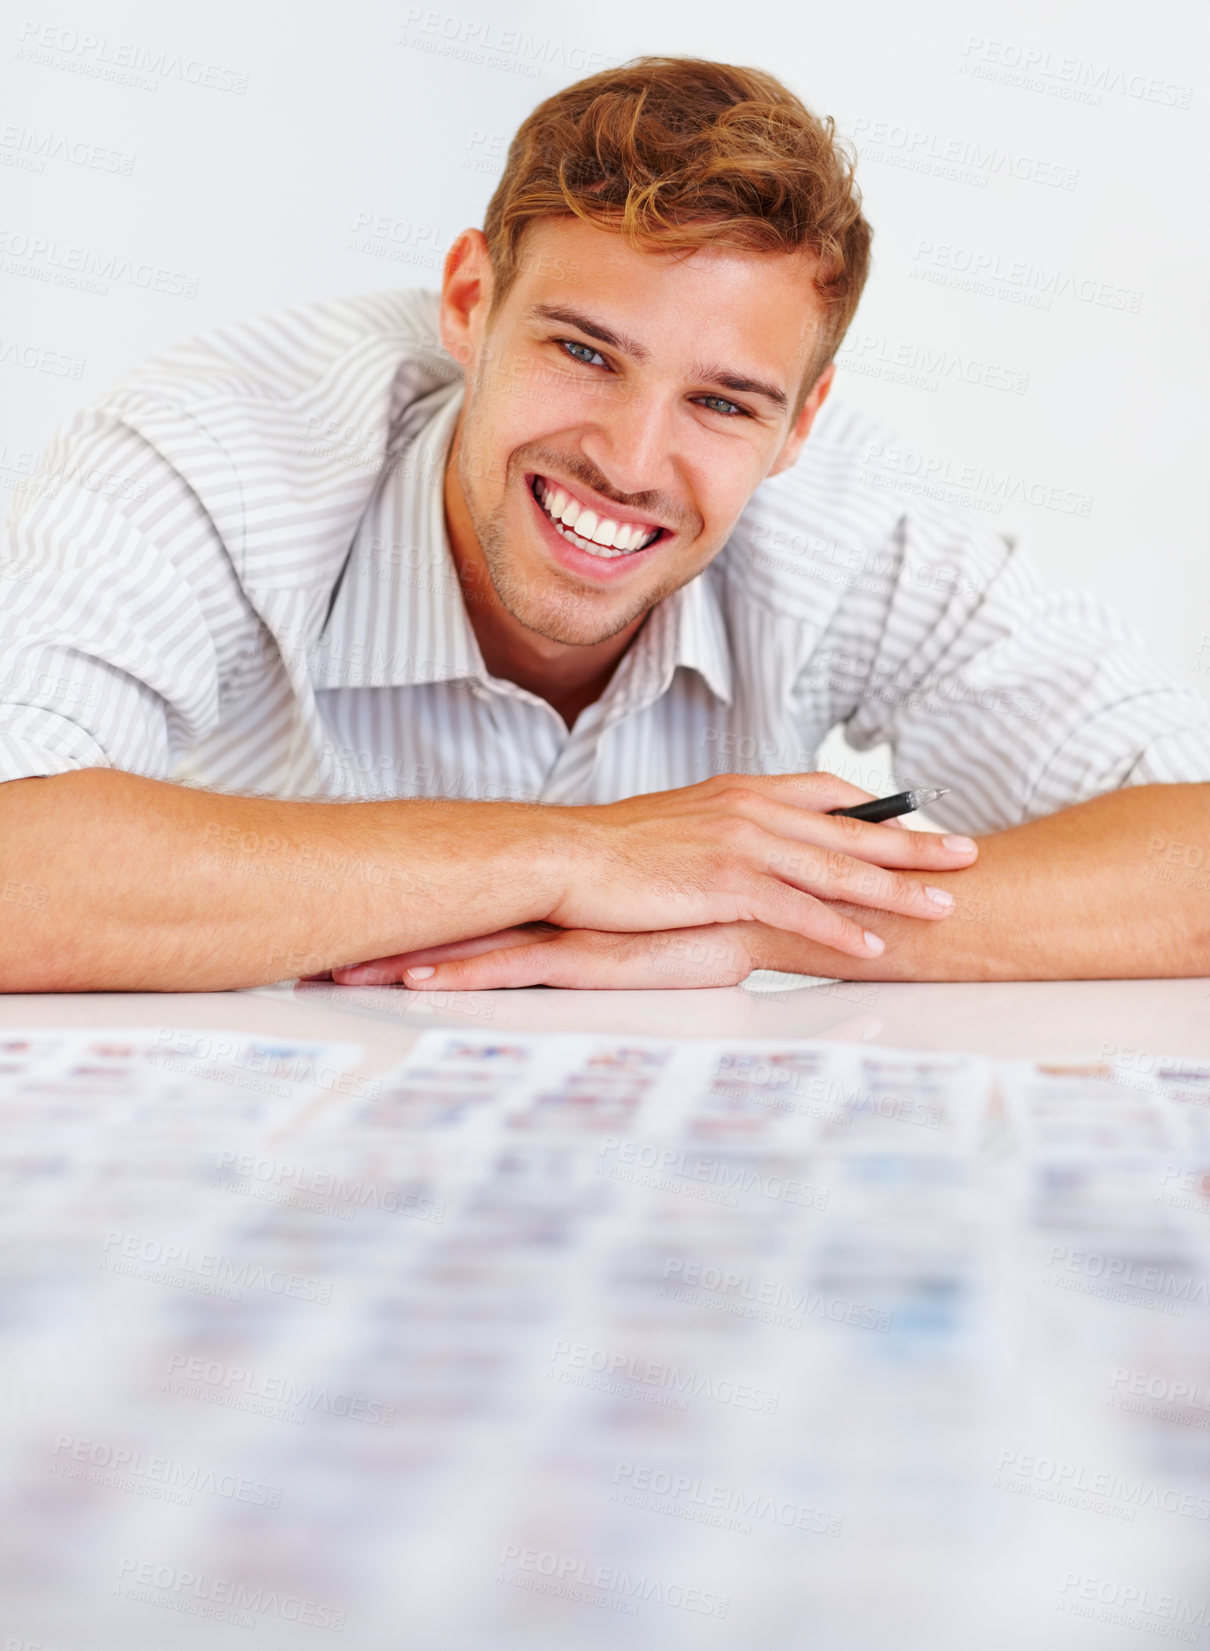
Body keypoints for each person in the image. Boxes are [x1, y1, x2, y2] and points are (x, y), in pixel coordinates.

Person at [1, 57, 1207, 994]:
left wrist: (747, 915)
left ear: (800, 423)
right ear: (471, 302)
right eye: (584, 351)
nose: (630, 462)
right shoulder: (215, 449)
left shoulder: (852, 521)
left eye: (723, 402)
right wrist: (585, 856)